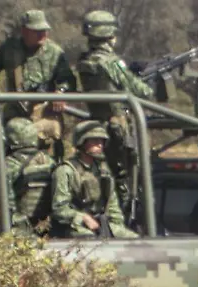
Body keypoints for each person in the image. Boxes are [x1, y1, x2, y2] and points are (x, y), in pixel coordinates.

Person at [0, 9, 77, 147]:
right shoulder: (9, 49)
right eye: (37, 30)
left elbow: (68, 79)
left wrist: (61, 92)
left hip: (44, 116)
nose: (43, 34)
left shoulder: (55, 52)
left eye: (44, 30)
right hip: (14, 115)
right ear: (24, 31)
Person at [73, 11, 151, 192]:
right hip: (119, 128)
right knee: (130, 177)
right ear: (109, 35)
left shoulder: (85, 60)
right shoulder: (110, 62)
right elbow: (142, 92)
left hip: (99, 123)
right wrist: (147, 82)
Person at [51, 122, 126, 238]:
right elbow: (59, 209)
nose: (100, 145)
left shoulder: (103, 171)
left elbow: (112, 205)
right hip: (74, 227)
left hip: (101, 223)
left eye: (101, 141)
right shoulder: (66, 170)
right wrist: (83, 218)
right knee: (90, 241)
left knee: (133, 241)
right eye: (94, 141)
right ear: (82, 142)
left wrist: (118, 226)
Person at [4, 117, 58, 233]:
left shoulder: (8, 164)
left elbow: (6, 201)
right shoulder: (49, 161)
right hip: (48, 226)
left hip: (18, 228)